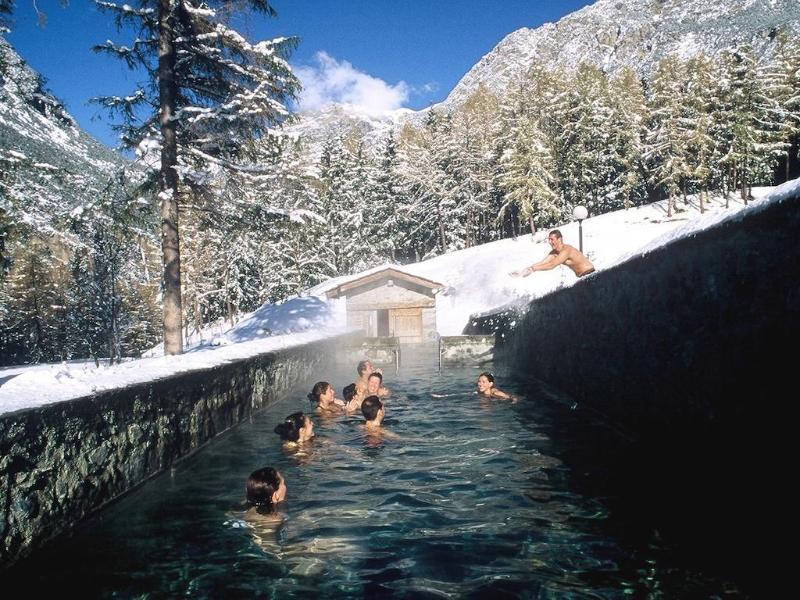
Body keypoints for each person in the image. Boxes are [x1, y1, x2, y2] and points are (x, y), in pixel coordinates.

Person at [510, 229, 595, 278]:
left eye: (552, 239)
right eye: (549, 239)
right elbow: (543, 262)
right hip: (582, 277)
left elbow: (551, 265)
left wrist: (533, 269)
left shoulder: (566, 250)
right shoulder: (554, 252)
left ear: (559, 239)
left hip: (590, 273)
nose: (550, 242)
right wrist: (525, 270)